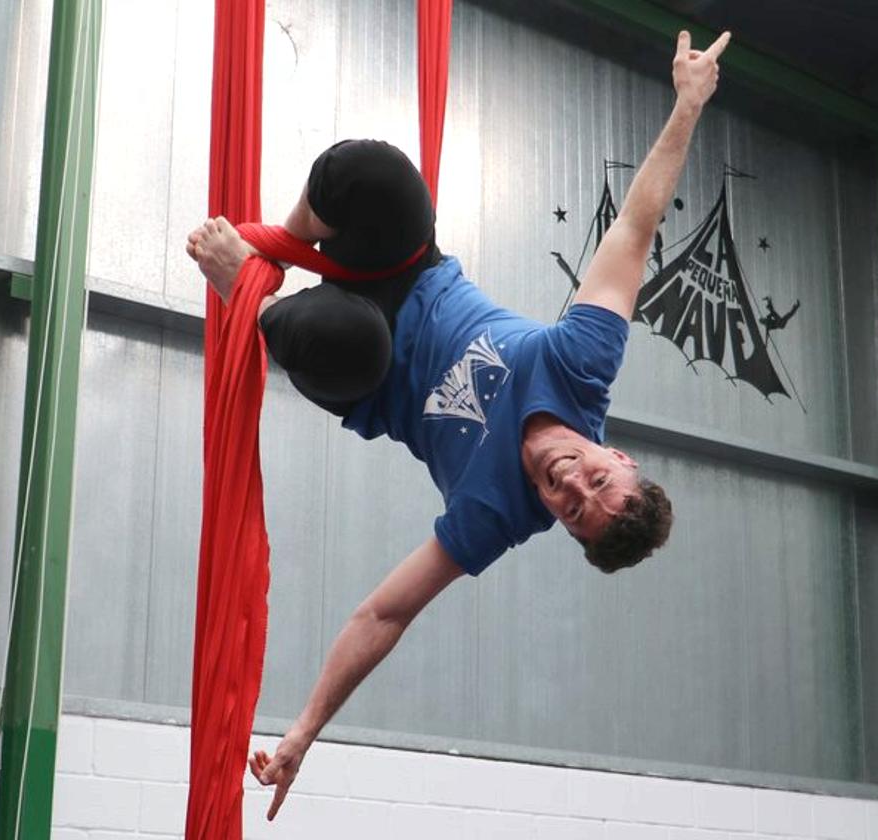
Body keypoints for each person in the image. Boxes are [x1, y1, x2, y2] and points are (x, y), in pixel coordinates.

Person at [186, 29, 730, 821]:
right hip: (403, 270)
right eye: (597, 479)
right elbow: (636, 229)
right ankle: (284, 244)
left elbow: (385, 613)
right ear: (618, 453)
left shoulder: (494, 517)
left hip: (352, 361)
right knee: (372, 172)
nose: (571, 484)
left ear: (560, 525)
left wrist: (305, 730)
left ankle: (250, 290)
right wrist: (686, 105)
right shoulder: (583, 365)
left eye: (574, 510)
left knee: (356, 340)